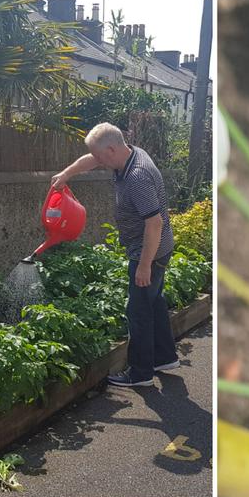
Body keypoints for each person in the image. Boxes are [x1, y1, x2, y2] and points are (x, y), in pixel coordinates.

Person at [51, 122, 177, 388]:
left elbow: (154, 224)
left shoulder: (137, 177)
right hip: (158, 248)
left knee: (138, 310)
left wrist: (144, 265)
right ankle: (165, 357)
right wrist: (67, 174)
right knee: (153, 302)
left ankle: (141, 373)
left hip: (149, 251)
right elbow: (91, 159)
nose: (97, 162)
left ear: (111, 149)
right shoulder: (128, 154)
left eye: (99, 157)